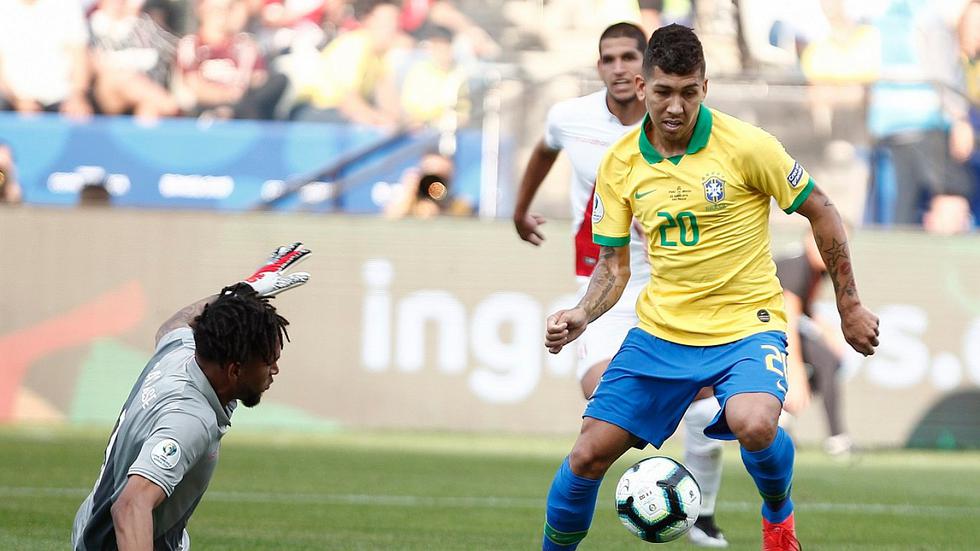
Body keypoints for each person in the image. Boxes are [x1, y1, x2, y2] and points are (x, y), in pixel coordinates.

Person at [540, 24, 879, 551]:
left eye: (688, 92)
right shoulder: (621, 162)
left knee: (754, 423)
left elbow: (823, 212)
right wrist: (583, 312)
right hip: (662, 334)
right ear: (642, 85)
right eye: (663, 91)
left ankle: (778, 516)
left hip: (746, 326)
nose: (675, 107)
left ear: (705, 86)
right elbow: (612, 266)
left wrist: (849, 305)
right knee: (586, 455)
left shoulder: (747, 146)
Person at [514, 21, 729, 548]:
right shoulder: (571, 118)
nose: (618, 68)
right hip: (604, 285)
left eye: (628, 57)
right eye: (608, 59)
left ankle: (701, 511)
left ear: (647, 69)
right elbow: (544, 149)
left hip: (672, 290)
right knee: (609, 410)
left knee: (708, 410)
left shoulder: (681, 127)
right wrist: (521, 209)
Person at [71, 243, 312, 550]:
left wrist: (241, 292)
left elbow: (175, 323)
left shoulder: (182, 353)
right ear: (235, 370)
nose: (275, 370)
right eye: (268, 363)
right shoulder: (190, 420)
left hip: (95, 525)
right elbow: (130, 507)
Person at [777, 231, 852, 457]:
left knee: (830, 360)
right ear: (810, 239)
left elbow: (805, 308)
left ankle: (783, 414)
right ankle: (837, 437)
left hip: (774, 324)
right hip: (758, 327)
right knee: (826, 360)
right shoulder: (798, 265)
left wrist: (829, 332)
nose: (834, 248)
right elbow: (788, 320)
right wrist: (795, 372)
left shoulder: (818, 270)